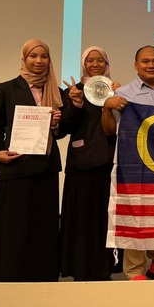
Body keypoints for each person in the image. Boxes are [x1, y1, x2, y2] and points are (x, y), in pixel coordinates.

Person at [0, 39, 63, 282]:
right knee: (13, 228)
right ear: (24, 58)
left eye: (44, 57)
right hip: (15, 166)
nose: (39, 61)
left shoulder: (56, 91)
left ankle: (43, 276)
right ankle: (9, 276)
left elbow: (62, 131)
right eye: (33, 56)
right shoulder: (6, 89)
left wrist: (58, 124)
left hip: (45, 167)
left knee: (44, 227)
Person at [102, 45, 154, 281]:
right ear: (136, 65)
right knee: (135, 214)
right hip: (134, 165)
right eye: (145, 61)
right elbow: (108, 130)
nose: (151, 65)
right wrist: (107, 107)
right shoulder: (124, 93)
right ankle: (135, 269)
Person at [58, 46, 120, 281]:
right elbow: (63, 130)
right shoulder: (73, 91)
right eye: (90, 60)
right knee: (81, 221)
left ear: (106, 63)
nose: (95, 64)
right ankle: (79, 268)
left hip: (109, 164)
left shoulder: (114, 90)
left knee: (105, 221)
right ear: (83, 64)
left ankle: (105, 267)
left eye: (100, 60)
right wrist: (75, 104)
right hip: (82, 166)